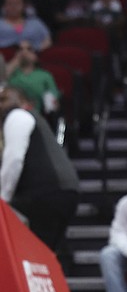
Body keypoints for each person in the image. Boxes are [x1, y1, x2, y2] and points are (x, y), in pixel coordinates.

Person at [0, 86, 79, 252]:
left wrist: (3, 200)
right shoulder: (35, 120)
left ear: (23, 101)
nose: (0, 104)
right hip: (64, 192)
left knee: (33, 254)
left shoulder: (17, 115)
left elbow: (14, 159)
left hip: (45, 194)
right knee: (46, 255)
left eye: (4, 99)